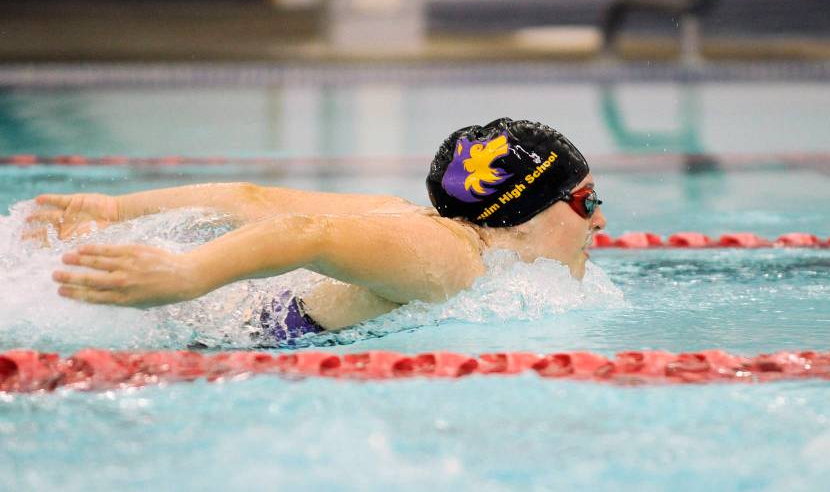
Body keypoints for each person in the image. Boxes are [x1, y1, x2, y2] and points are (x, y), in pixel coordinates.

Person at [24, 118, 606, 341]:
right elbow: (307, 234)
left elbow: (249, 199)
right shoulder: (454, 260)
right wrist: (185, 275)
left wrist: (112, 210)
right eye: (585, 201)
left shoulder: (408, 217)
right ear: (524, 211)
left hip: (221, 314)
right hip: (212, 333)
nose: (600, 218)